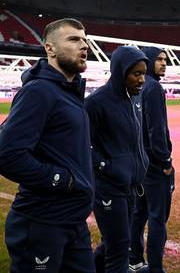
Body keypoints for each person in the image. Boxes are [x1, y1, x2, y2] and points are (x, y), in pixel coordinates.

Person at [0, 18, 95, 272]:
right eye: (74, 40)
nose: (84, 45)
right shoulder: (39, 91)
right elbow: (7, 155)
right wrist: (62, 180)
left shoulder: (69, 92)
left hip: (73, 221)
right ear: (50, 49)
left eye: (85, 40)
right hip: (42, 222)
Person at [85, 45, 150, 272]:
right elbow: (83, 146)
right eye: (136, 74)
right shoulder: (96, 102)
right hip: (109, 188)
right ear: (121, 72)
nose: (142, 80)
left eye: (144, 73)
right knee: (119, 249)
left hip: (131, 186)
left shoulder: (136, 99)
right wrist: (107, 166)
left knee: (113, 243)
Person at [129, 47, 175, 273]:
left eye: (165, 60)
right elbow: (157, 130)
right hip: (155, 167)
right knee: (157, 219)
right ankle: (155, 268)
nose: (164, 63)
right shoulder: (154, 88)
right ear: (147, 62)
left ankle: (135, 259)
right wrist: (166, 162)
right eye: (158, 59)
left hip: (139, 164)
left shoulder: (136, 85)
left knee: (138, 214)